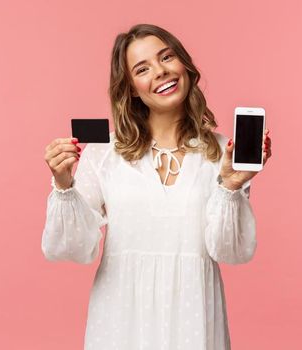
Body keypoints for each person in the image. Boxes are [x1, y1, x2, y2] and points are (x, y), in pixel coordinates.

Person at [41, 23, 272, 350]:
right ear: (132, 88)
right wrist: (64, 185)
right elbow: (72, 248)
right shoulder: (104, 152)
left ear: (185, 66)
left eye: (167, 57)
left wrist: (231, 187)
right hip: (121, 317)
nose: (161, 72)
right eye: (143, 68)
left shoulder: (223, 152)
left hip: (194, 316)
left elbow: (230, 251)